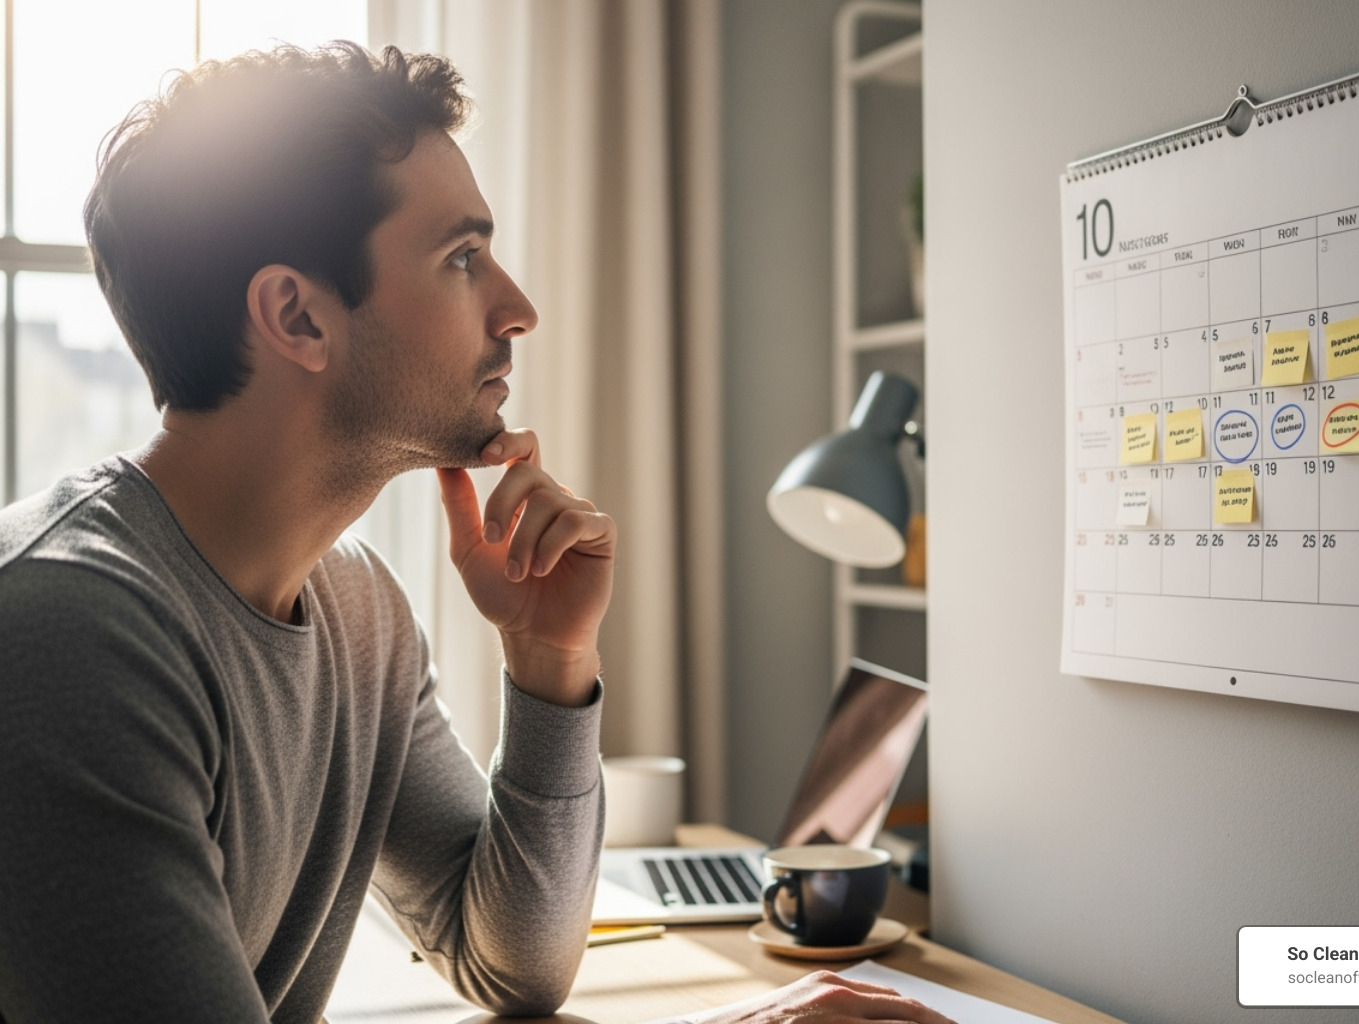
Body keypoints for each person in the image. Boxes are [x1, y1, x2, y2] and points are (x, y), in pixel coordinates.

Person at [0, 42, 953, 1024]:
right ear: (296, 314)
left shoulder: (358, 610)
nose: (520, 309)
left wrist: (550, 662)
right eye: (461, 258)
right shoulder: (65, 638)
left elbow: (513, 965)